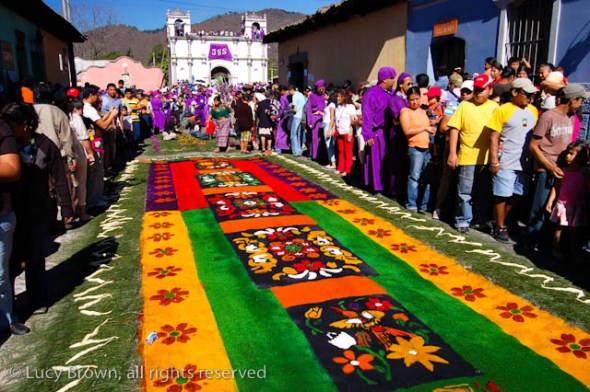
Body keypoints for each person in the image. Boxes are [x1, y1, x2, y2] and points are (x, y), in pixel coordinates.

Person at [4, 103, 74, 316]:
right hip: (12, 208)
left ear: (25, 125)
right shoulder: (8, 146)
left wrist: (66, 207)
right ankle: (9, 304)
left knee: (34, 255)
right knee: (12, 258)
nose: (8, 130)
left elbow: (59, 177)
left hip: (38, 210)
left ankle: (37, 299)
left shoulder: (44, 145)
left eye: (11, 125)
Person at [527, 84, 588, 251]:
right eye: (581, 100)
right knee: (541, 205)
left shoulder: (571, 116)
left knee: (556, 207)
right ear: (573, 99)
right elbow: (533, 145)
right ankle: (532, 240)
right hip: (546, 168)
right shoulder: (548, 116)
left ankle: (547, 242)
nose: (582, 103)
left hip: (564, 169)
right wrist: (549, 166)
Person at [487, 78, 538, 243]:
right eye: (526, 94)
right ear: (515, 92)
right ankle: (500, 227)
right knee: (502, 195)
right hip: (506, 160)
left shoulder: (533, 111)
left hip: (524, 162)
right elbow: (494, 136)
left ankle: (501, 220)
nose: (530, 97)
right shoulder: (503, 110)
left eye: (532, 94)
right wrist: (494, 160)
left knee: (518, 195)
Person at [447, 74, 498, 233]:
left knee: (483, 192)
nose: (478, 93)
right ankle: (462, 221)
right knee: (465, 191)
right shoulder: (465, 105)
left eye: (482, 90)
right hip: (467, 155)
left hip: (487, 157)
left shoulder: (495, 108)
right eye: (476, 90)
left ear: (490, 90)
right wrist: (452, 153)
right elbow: (455, 129)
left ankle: (479, 220)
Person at [0, 104, 30, 335]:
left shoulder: (2, 130)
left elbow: (12, 168)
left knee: (0, 273)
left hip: (1, 213)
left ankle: (7, 318)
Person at [433, 81, 474, 220]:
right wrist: (458, 126)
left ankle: (458, 212)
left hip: (469, 148)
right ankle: (439, 207)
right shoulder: (453, 105)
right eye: (463, 91)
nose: (464, 94)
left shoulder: (476, 108)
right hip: (453, 146)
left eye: (468, 92)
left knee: (464, 183)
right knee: (447, 178)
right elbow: (443, 127)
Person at [545, 142, 590, 261]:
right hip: (563, 205)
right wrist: (550, 201)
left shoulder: (584, 172)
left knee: (575, 232)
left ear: (581, 157)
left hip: (577, 205)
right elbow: (556, 186)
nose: (567, 156)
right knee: (559, 228)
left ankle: (574, 252)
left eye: (571, 154)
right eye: (567, 153)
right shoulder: (563, 170)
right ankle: (555, 249)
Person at [361, 66, 397, 195]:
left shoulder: (391, 93)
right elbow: (367, 115)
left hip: (389, 131)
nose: (394, 81)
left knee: (387, 160)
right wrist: (367, 134)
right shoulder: (371, 94)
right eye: (392, 78)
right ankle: (377, 186)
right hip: (377, 132)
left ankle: (387, 185)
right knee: (377, 160)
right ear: (385, 79)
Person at [400, 87, 436, 212]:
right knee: (414, 176)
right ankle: (412, 203)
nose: (414, 102)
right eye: (411, 100)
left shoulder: (423, 111)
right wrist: (424, 128)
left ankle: (424, 205)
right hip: (415, 147)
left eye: (416, 99)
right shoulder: (405, 111)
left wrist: (430, 128)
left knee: (427, 178)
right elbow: (407, 131)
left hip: (427, 147)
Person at [334, 90, 357, 177]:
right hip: (339, 131)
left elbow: (352, 120)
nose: (338, 98)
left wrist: (351, 130)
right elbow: (336, 119)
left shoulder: (350, 107)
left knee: (348, 151)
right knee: (340, 150)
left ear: (344, 97)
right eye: (337, 96)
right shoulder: (338, 107)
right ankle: (340, 167)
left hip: (347, 131)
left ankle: (348, 169)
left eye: (339, 96)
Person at [307, 80, 326, 161]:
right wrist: (309, 121)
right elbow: (309, 109)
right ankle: (315, 155)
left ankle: (323, 155)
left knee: (323, 138)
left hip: (324, 118)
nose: (321, 90)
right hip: (315, 119)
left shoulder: (326, 96)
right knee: (315, 138)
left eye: (322, 88)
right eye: (319, 89)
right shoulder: (312, 96)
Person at [288, 86, 306, 156]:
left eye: (289, 91)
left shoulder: (294, 96)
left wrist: (289, 110)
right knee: (299, 134)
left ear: (292, 90)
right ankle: (299, 150)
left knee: (293, 134)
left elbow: (295, 109)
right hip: (302, 116)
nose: (289, 93)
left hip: (297, 116)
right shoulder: (301, 94)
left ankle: (295, 151)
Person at [323, 92, 336, 169]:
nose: (324, 96)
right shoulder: (327, 104)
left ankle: (333, 162)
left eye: (325, 94)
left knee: (329, 144)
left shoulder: (332, 105)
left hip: (328, 125)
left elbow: (332, 118)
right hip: (325, 123)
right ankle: (330, 161)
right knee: (327, 144)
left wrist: (329, 130)